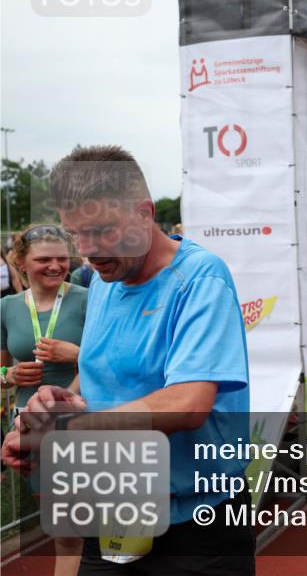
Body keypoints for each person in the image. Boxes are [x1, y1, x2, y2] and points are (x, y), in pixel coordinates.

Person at [1, 145, 254, 575]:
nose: (88, 251)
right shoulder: (104, 280)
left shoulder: (199, 277)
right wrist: (55, 404)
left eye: (102, 230)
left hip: (196, 524)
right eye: (75, 234)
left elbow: (188, 404)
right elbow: (93, 376)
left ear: (144, 212)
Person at [1, 223, 88, 576]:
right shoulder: (6, 307)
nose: (55, 266)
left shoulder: (89, 299)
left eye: (62, 259)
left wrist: (78, 354)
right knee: (64, 530)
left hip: (81, 418)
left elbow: (114, 360)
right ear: (21, 263)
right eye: (44, 259)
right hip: (30, 423)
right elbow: (1, 368)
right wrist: (9, 376)